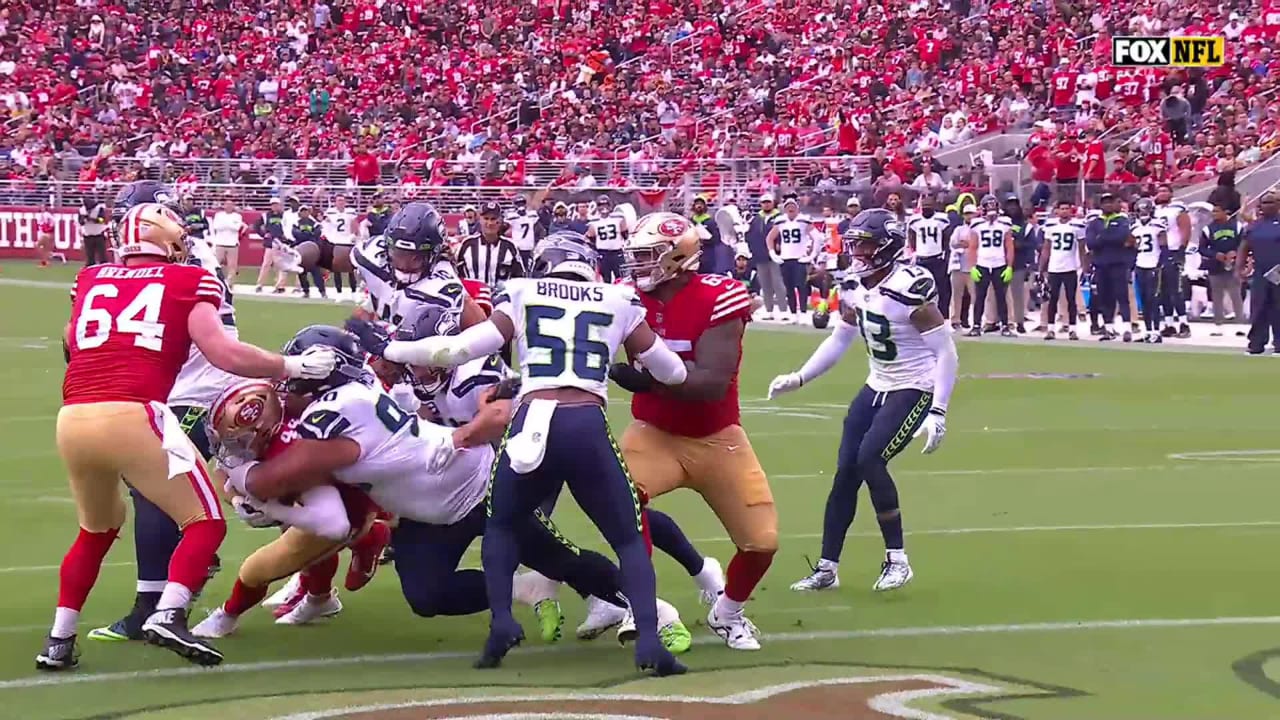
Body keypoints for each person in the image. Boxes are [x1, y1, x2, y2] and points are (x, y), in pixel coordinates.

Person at [355, 232, 690, 676]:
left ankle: (501, 626)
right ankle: (649, 640)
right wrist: (629, 368)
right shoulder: (619, 298)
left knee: (501, 527)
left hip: (532, 420)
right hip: (585, 421)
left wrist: (388, 348)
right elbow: (674, 371)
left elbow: (458, 348)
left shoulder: (521, 290)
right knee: (627, 537)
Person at [44, 187, 338, 671]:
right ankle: (167, 610)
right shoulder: (189, 277)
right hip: (146, 409)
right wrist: (290, 365)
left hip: (74, 416)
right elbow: (222, 350)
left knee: (95, 530)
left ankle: (58, 640)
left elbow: (71, 345)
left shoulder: (90, 277)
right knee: (206, 520)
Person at [221, 325, 641, 649]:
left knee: (562, 558)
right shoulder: (350, 393)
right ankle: (524, 587)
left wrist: (234, 472)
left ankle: (648, 608)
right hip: (427, 512)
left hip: (476, 488)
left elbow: (275, 478)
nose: (288, 384)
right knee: (428, 596)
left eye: (298, 373)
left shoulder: (336, 415)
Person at [769, 208, 957, 594]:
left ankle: (898, 560)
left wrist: (938, 410)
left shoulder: (910, 285)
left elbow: (947, 353)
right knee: (845, 473)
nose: (857, 251)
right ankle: (827, 567)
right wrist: (801, 376)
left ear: (887, 246)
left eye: (865, 245)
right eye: (855, 243)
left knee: (871, 458)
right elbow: (839, 338)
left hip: (914, 386)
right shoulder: (854, 284)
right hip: (877, 383)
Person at [608, 212, 770, 651]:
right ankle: (641, 604)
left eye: (646, 257)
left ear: (676, 257)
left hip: (717, 435)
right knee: (618, 501)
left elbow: (711, 383)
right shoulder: (626, 297)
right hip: (653, 431)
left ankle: (729, 612)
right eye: (634, 256)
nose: (636, 266)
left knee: (761, 542)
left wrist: (647, 381)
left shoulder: (720, 296)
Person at [86, 181, 237, 645]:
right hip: (176, 391)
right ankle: (171, 588)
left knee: (155, 493)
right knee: (156, 492)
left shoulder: (187, 269)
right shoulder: (180, 263)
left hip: (195, 392)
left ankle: (153, 605)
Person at [190, 380, 385, 638]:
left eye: (239, 440)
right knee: (290, 523)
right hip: (324, 489)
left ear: (263, 428)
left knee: (255, 570)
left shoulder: (294, 454)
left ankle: (227, 616)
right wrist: (239, 501)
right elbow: (221, 471)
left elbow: (332, 524)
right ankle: (321, 597)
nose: (232, 448)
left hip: (347, 505)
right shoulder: (273, 411)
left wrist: (269, 508)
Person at [1085, 192, 1135, 341]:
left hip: (1118, 263)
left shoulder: (1121, 220)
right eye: (1105, 202)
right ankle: (1108, 328)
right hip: (1101, 264)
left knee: (1122, 295)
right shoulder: (1095, 222)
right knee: (1105, 297)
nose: (1107, 205)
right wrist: (1108, 237)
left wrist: (1102, 237)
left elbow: (1122, 236)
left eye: (1110, 202)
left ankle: (1127, 328)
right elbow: (1091, 243)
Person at [1237, 192, 1280, 354]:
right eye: (1265, 203)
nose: (1268, 205)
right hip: (1260, 273)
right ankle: (1256, 343)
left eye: (1272, 202)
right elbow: (1244, 247)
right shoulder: (1254, 226)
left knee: (1278, 309)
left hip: (1278, 272)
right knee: (1259, 308)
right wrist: (1239, 268)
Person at [1038, 200, 1087, 340]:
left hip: (1070, 267)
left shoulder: (1077, 226)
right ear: (1057, 211)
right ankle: (1051, 328)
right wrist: (1041, 268)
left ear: (1070, 210)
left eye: (1067, 208)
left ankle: (1072, 328)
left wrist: (1084, 267)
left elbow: (1082, 248)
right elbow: (1046, 248)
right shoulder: (1050, 226)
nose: (1064, 211)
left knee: (1071, 299)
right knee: (1052, 300)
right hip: (1054, 268)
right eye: (1062, 208)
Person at [967, 195, 1015, 337]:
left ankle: (1005, 325)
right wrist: (972, 267)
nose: (991, 211)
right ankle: (976, 325)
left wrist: (1009, 266)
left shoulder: (1005, 223)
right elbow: (973, 247)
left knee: (1001, 297)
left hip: (999, 264)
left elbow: (1009, 246)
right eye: (989, 207)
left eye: (993, 207)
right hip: (982, 264)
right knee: (979, 297)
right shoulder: (976, 224)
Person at [766, 198, 817, 323]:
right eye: (788, 206)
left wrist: (812, 254)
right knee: (788, 287)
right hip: (785, 258)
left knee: (801, 286)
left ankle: (803, 312)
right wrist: (772, 253)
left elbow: (817, 237)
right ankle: (793, 312)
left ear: (797, 208)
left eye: (792, 206)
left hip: (800, 258)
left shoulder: (803, 220)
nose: (790, 208)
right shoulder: (780, 221)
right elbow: (769, 238)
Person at [1199, 202, 1246, 337]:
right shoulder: (1208, 229)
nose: (1214, 214)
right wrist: (1214, 254)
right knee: (1216, 296)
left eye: (1216, 211)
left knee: (1235, 295)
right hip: (1215, 266)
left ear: (1225, 212)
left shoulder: (1237, 226)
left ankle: (1241, 324)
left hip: (1234, 265)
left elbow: (1244, 243)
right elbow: (1201, 248)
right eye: (1213, 212)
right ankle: (1218, 325)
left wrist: (1236, 252)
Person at [1154, 185, 1193, 338]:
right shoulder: (1155, 210)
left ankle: (1184, 324)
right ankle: (1169, 324)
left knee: (1175, 289)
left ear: (1171, 193)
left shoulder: (1178, 208)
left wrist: (1182, 248)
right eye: (1160, 191)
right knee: (1162, 290)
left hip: (1174, 250)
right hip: (1159, 252)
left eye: (1165, 190)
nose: (1162, 193)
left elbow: (1186, 228)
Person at [455, 201, 524, 287]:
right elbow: (457, 273)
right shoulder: (467, 244)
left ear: (500, 221)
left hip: (503, 298)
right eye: (486, 218)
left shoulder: (510, 246)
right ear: (480, 220)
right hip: (472, 297)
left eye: (493, 219)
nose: (490, 223)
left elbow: (520, 278)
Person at [1131, 198, 1169, 343]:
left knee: (1153, 299)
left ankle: (1156, 331)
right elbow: (1133, 247)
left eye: (1146, 209)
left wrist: (1160, 264)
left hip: (1154, 264)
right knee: (1144, 300)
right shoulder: (1134, 227)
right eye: (1141, 210)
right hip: (1140, 265)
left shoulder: (1158, 225)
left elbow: (1164, 246)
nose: (1143, 212)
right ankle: (1148, 331)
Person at [907, 196, 950, 317]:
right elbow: (912, 236)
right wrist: (914, 251)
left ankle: (944, 317)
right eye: (924, 206)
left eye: (929, 206)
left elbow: (946, 237)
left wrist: (944, 252)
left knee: (942, 289)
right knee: (920, 290)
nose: (926, 209)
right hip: (921, 259)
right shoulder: (915, 220)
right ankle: (921, 317)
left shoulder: (942, 219)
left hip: (937, 258)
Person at [746, 193, 785, 320]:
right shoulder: (757, 219)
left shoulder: (780, 217)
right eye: (764, 202)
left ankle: (783, 309)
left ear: (773, 202)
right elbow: (751, 235)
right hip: (760, 255)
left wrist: (779, 245)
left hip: (775, 255)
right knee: (765, 284)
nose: (766, 204)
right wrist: (752, 251)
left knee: (778, 283)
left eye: (768, 202)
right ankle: (769, 310)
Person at [322, 194, 361, 301]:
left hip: (348, 241)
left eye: (342, 200)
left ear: (345, 202)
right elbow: (325, 224)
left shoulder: (350, 212)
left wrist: (354, 235)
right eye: (338, 200)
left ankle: (354, 292)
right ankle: (339, 293)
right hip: (335, 242)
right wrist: (328, 237)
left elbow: (355, 224)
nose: (340, 202)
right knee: (336, 268)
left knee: (350, 268)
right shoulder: (330, 212)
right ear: (335, 202)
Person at [948, 204, 978, 329]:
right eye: (967, 213)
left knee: (975, 295)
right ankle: (955, 320)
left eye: (971, 213)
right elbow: (954, 243)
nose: (969, 216)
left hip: (973, 266)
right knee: (956, 295)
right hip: (958, 266)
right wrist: (967, 244)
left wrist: (968, 244)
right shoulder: (959, 229)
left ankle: (977, 320)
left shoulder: (978, 228)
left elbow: (976, 245)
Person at [587, 195, 628, 283]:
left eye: (606, 204)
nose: (604, 207)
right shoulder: (593, 221)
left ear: (610, 206)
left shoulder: (618, 217)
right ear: (598, 207)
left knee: (621, 278)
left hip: (617, 251)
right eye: (601, 205)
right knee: (606, 279)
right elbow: (591, 237)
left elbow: (625, 233)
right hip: (603, 253)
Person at [291, 205, 329, 299]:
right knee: (301, 273)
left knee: (316, 273)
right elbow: (295, 234)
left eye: (306, 211)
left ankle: (322, 291)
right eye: (302, 211)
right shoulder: (296, 223)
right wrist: (308, 234)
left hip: (312, 252)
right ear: (300, 213)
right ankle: (306, 291)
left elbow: (317, 234)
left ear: (309, 212)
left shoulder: (314, 223)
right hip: (301, 252)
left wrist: (304, 235)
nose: (304, 213)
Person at [255, 198, 290, 293]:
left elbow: (289, 226)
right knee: (266, 264)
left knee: (281, 265)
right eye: (273, 204)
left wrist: (286, 237)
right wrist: (263, 234)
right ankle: (260, 284)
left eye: (276, 204)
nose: (275, 206)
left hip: (281, 243)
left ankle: (280, 286)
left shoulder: (284, 216)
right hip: (270, 243)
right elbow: (256, 226)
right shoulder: (266, 215)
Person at [208, 196, 245, 282]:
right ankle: (215, 280)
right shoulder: (219, 215)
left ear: (233, 206)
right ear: (224, 205)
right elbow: (216, 226)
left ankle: (230, 283)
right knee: (216, 264)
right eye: (227, 204)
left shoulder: (237, 216)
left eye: (231, 204)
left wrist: (225, 224)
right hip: (220, 243)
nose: (228, 206)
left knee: (232, 266)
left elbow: (236, 227)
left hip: (232, 244)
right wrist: (229, 225)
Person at [505, 195, 542, 267]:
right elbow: (504, 229)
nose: (520, 205)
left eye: (522, 203)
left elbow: (540, 229)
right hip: (517, 247)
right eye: (518, 203)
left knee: (528, 267)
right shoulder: (512, 216)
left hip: (529, 246)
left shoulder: (531, 215)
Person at [79, 195, 110, 266]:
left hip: (99, 234)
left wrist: (94, 219)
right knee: (90, 257)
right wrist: (84, 219)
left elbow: (103, 220)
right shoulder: (81, 210)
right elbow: (80, 222)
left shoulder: (99, 209)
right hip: (88, 234)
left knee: (102, 256)